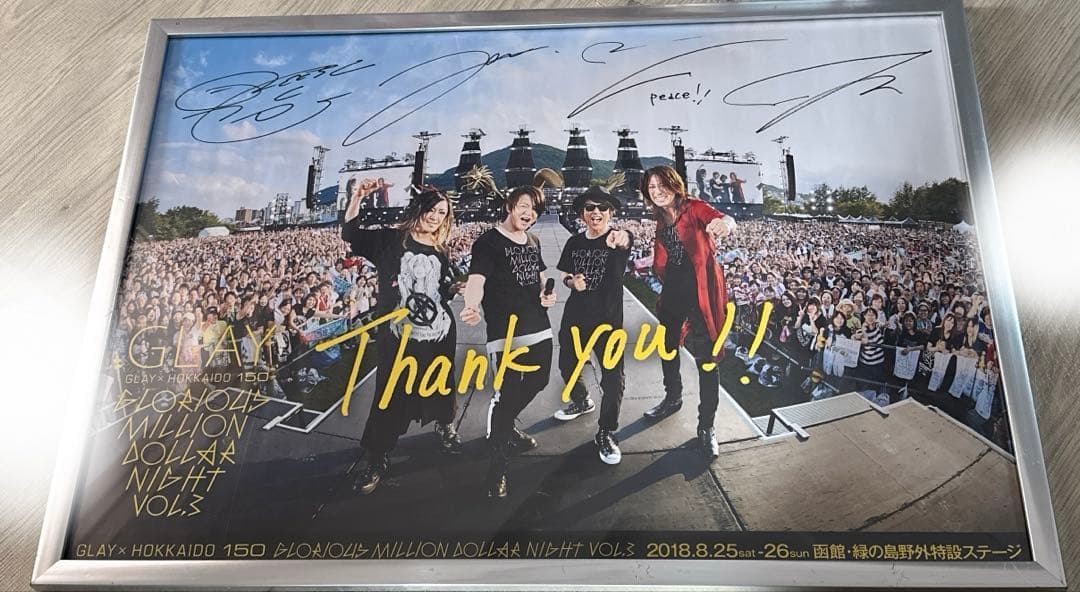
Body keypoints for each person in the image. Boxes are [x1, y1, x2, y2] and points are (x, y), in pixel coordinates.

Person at [342, 186, 463, 495]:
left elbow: (440, 288)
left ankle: (445, 424)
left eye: (442, 213)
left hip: (438, 333)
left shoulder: (441, 250)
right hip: (399, 336)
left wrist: (453, 289)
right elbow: (350, 233)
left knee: (440, 382)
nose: (435, 217)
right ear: (418, 208)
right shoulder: (390, 240)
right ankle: (377, 457)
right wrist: (357, 197)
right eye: (431, 210)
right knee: (391, 391)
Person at [460, 186, 556, 498]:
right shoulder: (488, 242)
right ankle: (498, 467)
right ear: (510, 206)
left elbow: (539, 276)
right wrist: (471, 305)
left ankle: (505, 423)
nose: (529, 213)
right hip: (505, 333)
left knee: (539, 380)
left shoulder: (533, 240)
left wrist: (547, 294)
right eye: (524, 206)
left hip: (538, 326)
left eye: (535, 210)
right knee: (508, 392)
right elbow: (476, 280)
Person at [638, 165, 736, 459]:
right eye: (651, 188)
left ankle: (706, 427)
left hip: (701, 293)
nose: (657, 192)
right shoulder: (660, 216)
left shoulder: (693, 207)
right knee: (667, 349)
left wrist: (724, 224)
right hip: (673, 293)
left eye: (662, 185)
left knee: (706, 361)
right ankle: (673, 398)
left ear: (674, 184)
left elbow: (722, 218)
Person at [551, 185, 634, 465]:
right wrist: (571, 282)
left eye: (602, 207)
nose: (596, 212)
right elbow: (564, 273)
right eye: (590, 207)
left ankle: (606, 431)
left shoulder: (618, 238)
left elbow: (626, 239)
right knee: (567, 365)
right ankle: (582, 400)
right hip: (575, 316)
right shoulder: (574, 242)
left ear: (611, 212)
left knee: (613, 378)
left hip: (608, 321)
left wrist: (622, 237)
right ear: (582, 214)